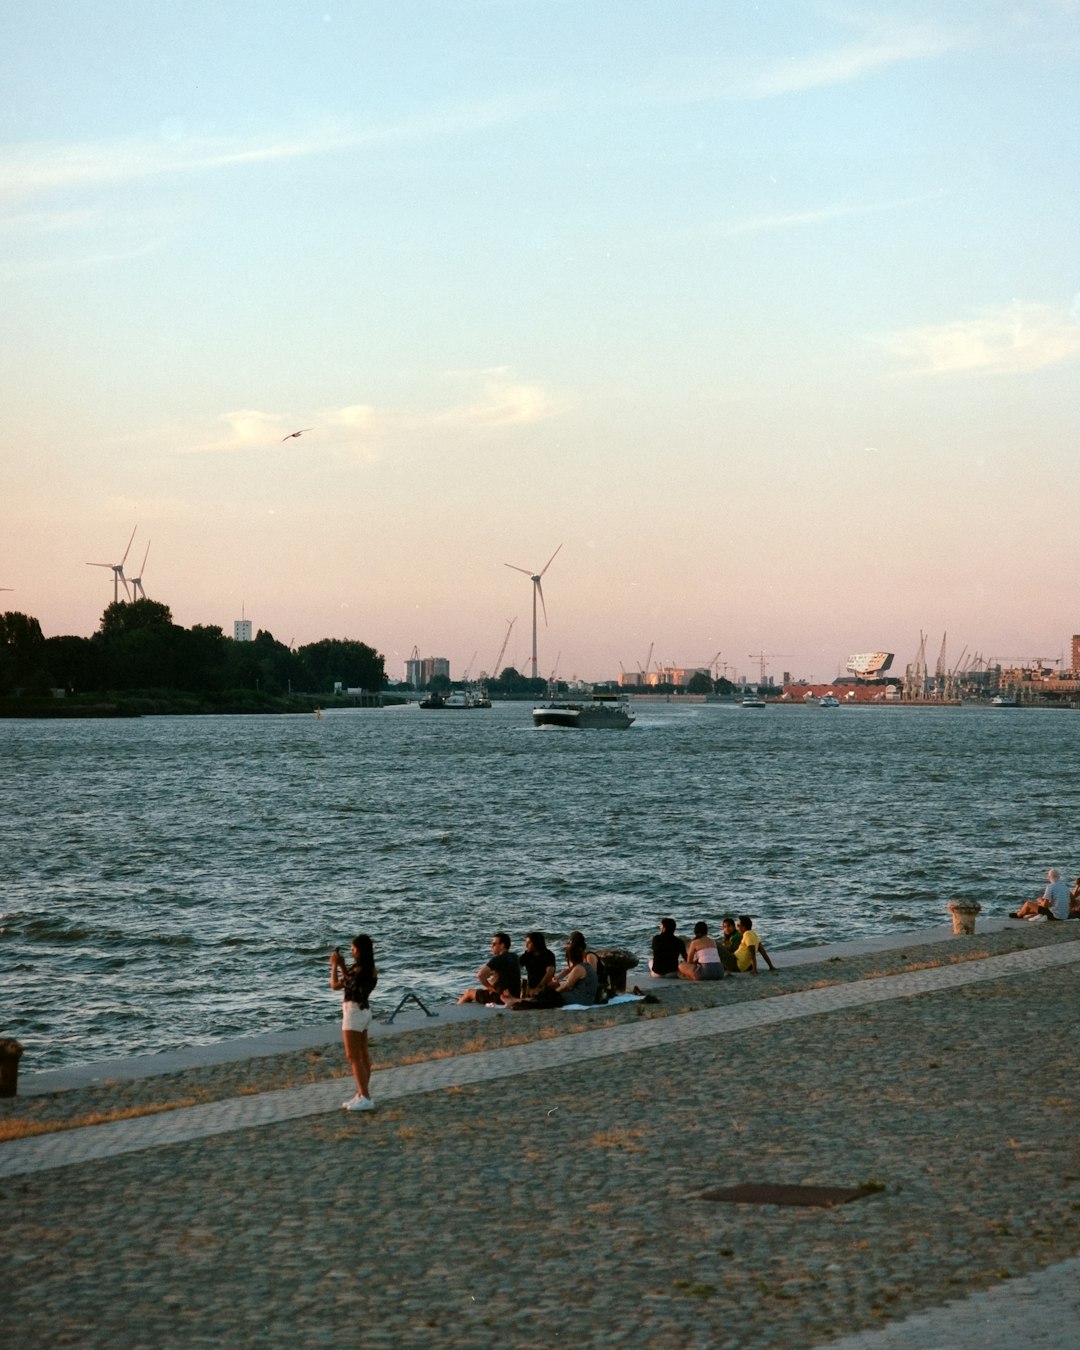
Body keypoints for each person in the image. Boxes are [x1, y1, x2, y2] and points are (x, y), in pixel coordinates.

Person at [329, 934, 378, 1112]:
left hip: (354, 1012)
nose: (351, 952)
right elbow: (342, 983)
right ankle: (361, 1093)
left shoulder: (360, 971)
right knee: (363, 1055)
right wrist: (339, 966)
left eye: (354, 949)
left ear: (361, 950)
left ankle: (365, 1096)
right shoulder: (368, 969)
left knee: (352, 1056)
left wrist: (338, 965)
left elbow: (343, 985)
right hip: (364, 1011)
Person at [458, 932, 521, 1004]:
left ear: (502, 945)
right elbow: (504, 972)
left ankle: (456, 1011)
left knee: (468, 993)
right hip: (514, 995)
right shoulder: (514, 957)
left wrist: (490, 988)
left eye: (494, 944)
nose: (491, 946)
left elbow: (480, 975)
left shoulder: (498, 958)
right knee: (491, 981)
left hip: (501, 997)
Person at [553, 936, 599, 1006]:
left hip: (582, 999)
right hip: (588, 997)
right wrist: (557, 978)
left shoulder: (579, 967)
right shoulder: (585, 965)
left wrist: (554, 992)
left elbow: (567, 986)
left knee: (551, 997)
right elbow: (568, 970)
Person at [512, 930, 557, 1000]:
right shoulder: (527, 955)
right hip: (531, 986)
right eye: (526, 943)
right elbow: (515, 968)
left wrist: (539, 987)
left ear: (536, 943)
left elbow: (550, 972)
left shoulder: (548, 955)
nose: (526, 945)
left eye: (529, 943)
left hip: (545, 985)